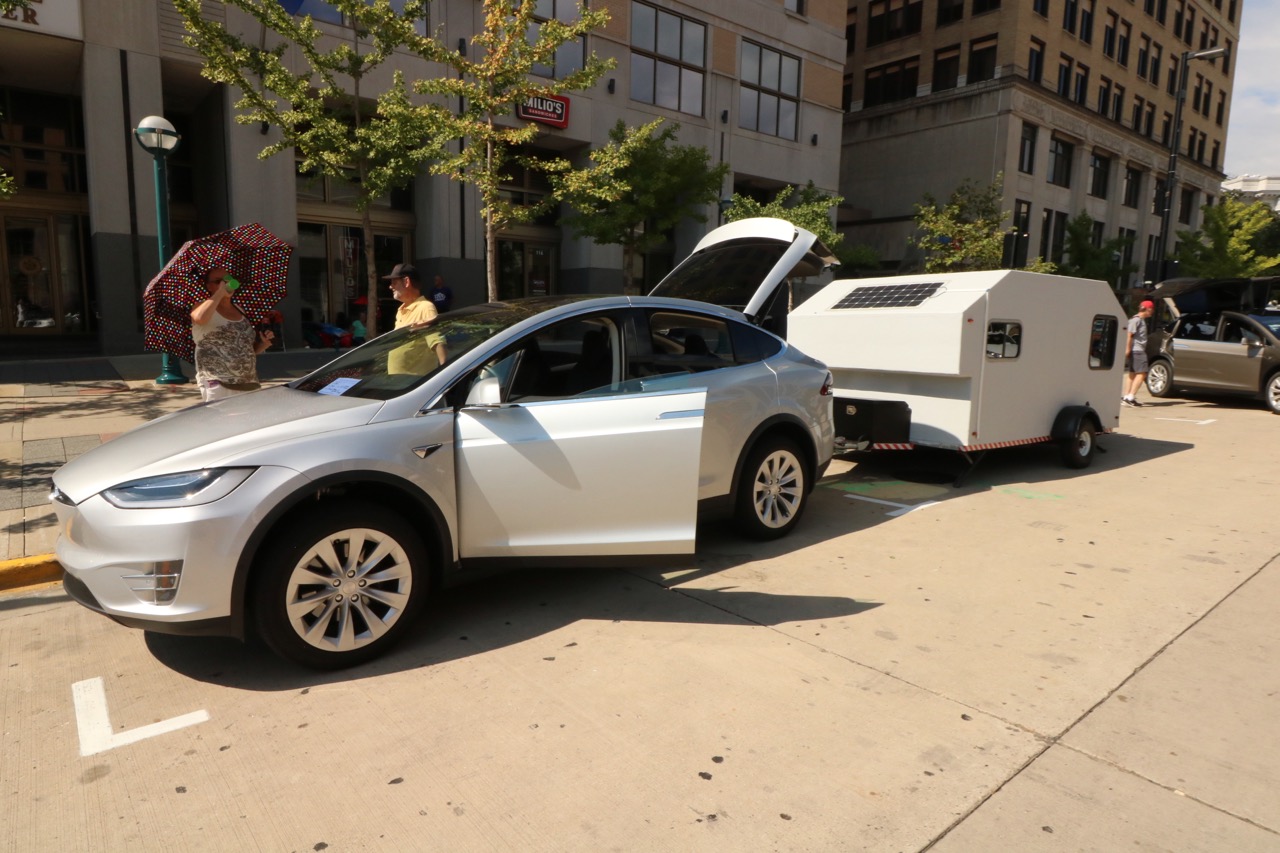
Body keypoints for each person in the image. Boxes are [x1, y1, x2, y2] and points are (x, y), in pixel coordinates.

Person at [190, 266, 274, 402]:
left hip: (248, 383)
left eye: (228, 279)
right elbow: (199, 318)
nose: (226, 284)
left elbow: (244, 350)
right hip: (218, 383)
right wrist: (220, 293)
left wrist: (263, 344)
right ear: (209, 286)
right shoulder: (201, 307)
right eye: (218, 281)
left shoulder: (240, 310)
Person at [385, 262, 447, 372]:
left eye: (394, 282)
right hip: (398, 381)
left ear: (406, 282)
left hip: (415, 381)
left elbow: (437, 343)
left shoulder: (425, 307)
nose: (390, 286)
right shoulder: (400, 310)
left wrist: (446, 375)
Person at [1122, 299, 1155, 407]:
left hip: (1135, 350)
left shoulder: (1139, 320)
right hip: (1138, 351)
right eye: (1152, 309)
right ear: (1147, 309)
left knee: (1132, 374)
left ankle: (1126, 397)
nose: (1152, 311)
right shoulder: (1136, 320)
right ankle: (1131, 397)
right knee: (1142, 373)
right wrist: (1127, 349)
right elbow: (1129, 335)